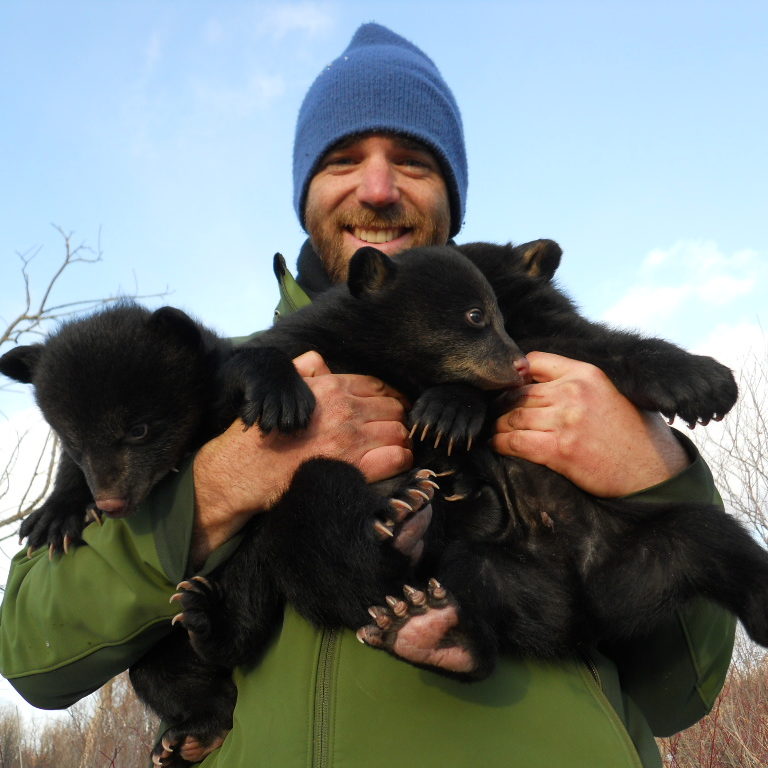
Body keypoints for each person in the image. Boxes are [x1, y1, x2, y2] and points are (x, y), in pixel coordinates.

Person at [0, 23, 734, 768]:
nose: (378, 188)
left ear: (451, 195)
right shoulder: (205, 384)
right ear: (306, 193)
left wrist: (655, 478)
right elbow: (33, 652)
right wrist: (217, 492)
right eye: (344, 160)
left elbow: (685, 689)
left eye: (412, 162)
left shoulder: (545, 362)